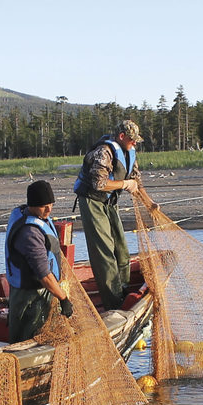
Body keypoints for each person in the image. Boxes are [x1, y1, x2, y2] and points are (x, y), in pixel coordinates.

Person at [72, 119, 142, 310]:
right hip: (92, 201)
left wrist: (150, 203)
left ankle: (123, 288)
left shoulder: (129, 153)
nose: (134, 143)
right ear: (121, 137)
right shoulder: (104, 152)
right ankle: (113, 303)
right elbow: (99, 184)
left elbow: (136, 182)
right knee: (104, 252)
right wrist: (125, 185)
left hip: (110, 202)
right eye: (132, 140)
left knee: (122, 250)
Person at [5, 180, 74, 343]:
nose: (49, 209)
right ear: (32, 205)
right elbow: (43, 274)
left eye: (51, 204)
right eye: (44, 206)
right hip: (30, 297)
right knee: (28, 338)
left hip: (42, 290)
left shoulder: (31, 215)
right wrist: (63, 299)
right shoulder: (30, 234)